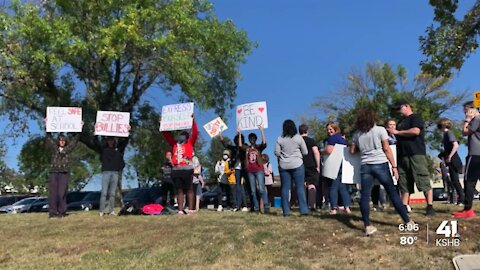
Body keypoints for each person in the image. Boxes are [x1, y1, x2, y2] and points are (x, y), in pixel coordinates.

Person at [350, 108, 412, 235]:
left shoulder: (357, 134)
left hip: (365, 166)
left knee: (365, 195)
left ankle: (367, 225)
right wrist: (394, 166)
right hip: (380, 164)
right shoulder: (380, 130)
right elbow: (386, 149)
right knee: (392, 193)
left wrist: (360, 148)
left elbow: (352, 151)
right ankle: (407, 221)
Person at [388, 99, 435, 216]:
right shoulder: (400, 122)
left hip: (416, 153)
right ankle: (404, 206)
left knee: (422, 178)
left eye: (400, 108)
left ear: (406, 106)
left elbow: (415, 131)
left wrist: (397, 132)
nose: (398, 111)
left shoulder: (415, 118)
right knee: (404, 181)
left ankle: (429, 206)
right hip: (402, 155)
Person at [161, 114, 198, 215]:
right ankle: (180, 210)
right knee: (179, 190)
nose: (181, 136)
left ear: (186, 137)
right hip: (177, 169)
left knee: (189, 189)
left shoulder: (190, 143)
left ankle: (190, 208)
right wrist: (162, 124)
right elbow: (166, 135)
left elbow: (195, 132)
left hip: (187, 169)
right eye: (180, 135)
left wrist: (193, 121)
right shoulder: (174, 144)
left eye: (183, 135)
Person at [275, 120, 309, 216]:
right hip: (297, 164)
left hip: (284, 165)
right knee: (300, 187)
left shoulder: (280, 139)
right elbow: (305, 151)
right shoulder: (298, 138)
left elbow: (276, 153)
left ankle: (286, 211)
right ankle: (303, 210)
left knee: (285, 188)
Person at [453, 101, 480, 218]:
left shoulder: (476, 120)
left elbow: (465, 132)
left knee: (469, 181)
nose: (464, 113)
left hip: (475, 154)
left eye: (466, 110)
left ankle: (468, 210)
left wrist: (467, 120)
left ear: (471, 109)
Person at [46, 133, 81, 218]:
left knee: (62, 193)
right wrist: (47, 127)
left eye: (64, 140)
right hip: (54, 172)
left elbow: (74, 141)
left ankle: (62, 211)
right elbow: (49, 139)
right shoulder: (54, 149)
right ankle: (53, 212)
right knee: (53, 193)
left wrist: (79, 130)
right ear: (58, 141)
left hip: (64, 172)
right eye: (61, 140)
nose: (62, 142)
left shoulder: (67, 150)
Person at [239, 125, 270, 213]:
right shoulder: (247, 148)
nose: (252, 139)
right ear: (249, 140)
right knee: (253, 191)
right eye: (250, 138)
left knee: (261, 188)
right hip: (250, 171)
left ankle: (266, 206)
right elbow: (240, 145)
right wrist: (240, 133)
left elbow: (264, 143)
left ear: (255, 139)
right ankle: (256, 208)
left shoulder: (258, 147)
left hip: (259, 169)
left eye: (253, 138)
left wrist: (261, 131)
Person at [323, 122, 352, 215]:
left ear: (335, 129)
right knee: (343, 187)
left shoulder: (332, 138)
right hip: (343, 165)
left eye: (331, 129)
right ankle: (347, 207)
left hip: (334, 166)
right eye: (328, 129)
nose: (329, 131)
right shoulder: (342, 138)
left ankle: (333, 208)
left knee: (333, 187)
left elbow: (329, 150)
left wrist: (321, 151)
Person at [95, 136, 127, 217]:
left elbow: (122, 163)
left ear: (114, 141)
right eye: (109, 140)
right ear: (106, 141)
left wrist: (118, 168)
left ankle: (111, 210)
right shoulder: (104, 150)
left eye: (112, 140)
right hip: (106, 172)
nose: (110, 142)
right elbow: (96, 143)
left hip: (115, 173)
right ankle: (101, 211)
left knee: (112, 193)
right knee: (104, 193)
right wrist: (94, 135)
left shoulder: (117, 151)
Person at [218, 132, 249, 212]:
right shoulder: (234, 148)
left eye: (240, 139)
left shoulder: (245, 146)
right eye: (237, 139)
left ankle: (247, 205)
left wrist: (240, 134)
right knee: (238, 187)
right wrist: (221, 139)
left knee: (246, 187)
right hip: (236, 169)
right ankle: (238, 205)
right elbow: (226, 145)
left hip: (244, 167)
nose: (238, 141)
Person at [437, 117, 464, 206]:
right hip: (450, 160)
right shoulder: (445, 135)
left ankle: (462, 199)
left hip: (454, 159)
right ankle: (460, 199)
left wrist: (450, 156)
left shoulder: (449, 133)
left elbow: (456, 145)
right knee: (453, 180)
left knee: (455, 180)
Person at [299, 124, 321, 211]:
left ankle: (303, 205)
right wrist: (318, 165)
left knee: (301, 185)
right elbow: (316, 152)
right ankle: (312, 205)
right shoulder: (311, 141)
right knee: (311, 185)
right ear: (307, 131)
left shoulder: (297, 141)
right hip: (311, 164)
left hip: (300, 164)